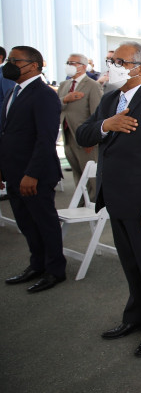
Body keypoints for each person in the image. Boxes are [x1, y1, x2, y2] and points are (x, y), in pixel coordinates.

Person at [76, 41, 141, 357]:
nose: (112, 66)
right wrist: (106, 125)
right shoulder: (109, 100)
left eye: (119, 62)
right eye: (111, 61)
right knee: (131, 266)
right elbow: (83, 134)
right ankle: (136, 318)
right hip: (117, 199)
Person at [2, 46, 66, 293]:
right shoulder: (13, 91)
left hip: (35, 174)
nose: (9, 64)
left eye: (14, 60)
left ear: (33, 65)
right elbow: (6, 132)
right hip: (13, 171)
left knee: (44, 222)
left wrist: (32, 174)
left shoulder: (44, 95)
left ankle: (55, 270)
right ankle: (37, 264)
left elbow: (45, 139)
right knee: (26, 223)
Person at [58, 53, 103, 199]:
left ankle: (95, 203)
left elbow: (97, 114)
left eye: (73, 63)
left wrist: (92, 139)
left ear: (83, 66)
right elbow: (56, 106)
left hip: (84, 137)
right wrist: (65, 99)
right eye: (68, 62)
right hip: (68, 135)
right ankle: (81, 200)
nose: (69, 66)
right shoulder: (64, 85)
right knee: (77, 172)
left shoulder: (92, 85)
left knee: (90, 175)